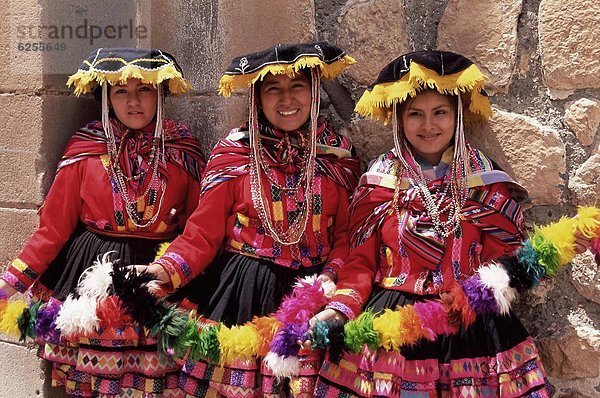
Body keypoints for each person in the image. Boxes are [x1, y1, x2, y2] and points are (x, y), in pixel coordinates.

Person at [308, 50, 593, 397]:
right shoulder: (379, 182)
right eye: (416, 114)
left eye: (440, 112)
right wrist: (340, 309)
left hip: (473, 329)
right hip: (391, 328)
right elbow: (361, 262)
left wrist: (552, 251)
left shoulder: (484, 181)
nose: (428, 126)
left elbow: (507, 262)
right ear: (399, 118)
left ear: (457, 116)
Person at [140, 42, 360, 397]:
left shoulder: (339, 158)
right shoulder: (235, 153)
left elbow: (347, 237)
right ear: (258, 99)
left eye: (297, 87)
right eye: (274, 90)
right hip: (242, 292)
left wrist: (331, 280)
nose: (286, 100)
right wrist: (164, 269)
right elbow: (203, 232)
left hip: (311, 295)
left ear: (314, 93)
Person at [0, 48, 205, 397]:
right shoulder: (85, 149)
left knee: (156, 380)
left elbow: (198, 226)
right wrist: (11, 283)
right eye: (120, 91)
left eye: (144, 90)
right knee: (94, 381)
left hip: (155, 272)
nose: (133, 101)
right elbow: (53, 227)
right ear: (106, 98)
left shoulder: (183, 151)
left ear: (161, 93)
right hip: (92, 273)